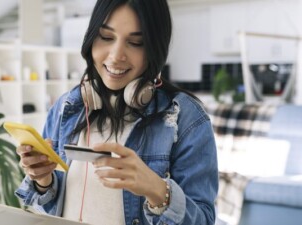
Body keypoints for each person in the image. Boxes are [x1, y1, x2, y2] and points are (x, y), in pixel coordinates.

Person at [15, 0, 218, 224]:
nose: (116, 55)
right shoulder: (68, 107)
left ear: (154, 49)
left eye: (135, 42)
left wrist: (157, 190)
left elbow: (204, 220)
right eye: (106, 37)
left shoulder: (186, 118)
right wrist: (43, 181)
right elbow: (52, 209)